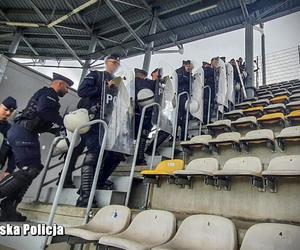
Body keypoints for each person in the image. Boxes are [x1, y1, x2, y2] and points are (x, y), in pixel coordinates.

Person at [0, 73, 73, 221]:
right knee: (31, 169)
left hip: (28, 132)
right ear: (59, 84)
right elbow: (44, 112)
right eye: (66, 87)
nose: (67, 91)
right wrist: (63, 123)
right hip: (24, 131)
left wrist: (56, 129)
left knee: (33, 170)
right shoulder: (49, 93)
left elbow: (41, 118)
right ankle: (7, 204)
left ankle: (9, 208)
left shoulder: (50, 97)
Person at [76, 54, 125, 207]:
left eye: (117, 63)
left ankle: (96, 183)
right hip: (95, 120)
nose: (115, 65)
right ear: (106, 62)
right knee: (93, 154)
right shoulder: (96, 75)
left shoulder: (118, 83)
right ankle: (84, 197)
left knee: (116, 154)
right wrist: (104, 87)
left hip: (111, 123)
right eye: (113, 62)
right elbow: (82, 91)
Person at [145, 68, 171, 155]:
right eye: (158, 73)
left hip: (158, 111)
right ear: (152, 74)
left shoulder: (160, 86)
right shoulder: (147, 83)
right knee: (144, 132)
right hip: (148, 111)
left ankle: (151, 148)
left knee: (168, 128)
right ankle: (145, 152)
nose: (160, 75)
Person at [134, 68, 155, 165]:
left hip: (133, 113)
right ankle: (140, 158)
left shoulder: (131, 84)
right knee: (143, 135)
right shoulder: (144, 83)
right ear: (143, 75)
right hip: (144, 113)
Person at [175, 60, 193, 140]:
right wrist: (187, 75)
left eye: (189, 65)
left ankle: (184, 135)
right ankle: (174, 136)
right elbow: (179, 81)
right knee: (178, 117)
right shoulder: (178, 71)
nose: (188, 67)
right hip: (180, 97)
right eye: (187, 65)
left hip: (186, 97)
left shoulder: (188, 72)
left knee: (185, 118)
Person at [0, 97, 17, 177]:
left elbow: (13, 152)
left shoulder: (10, 130)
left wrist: (9, 170)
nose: (8, 113)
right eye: (6, 109)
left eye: (11, 111)